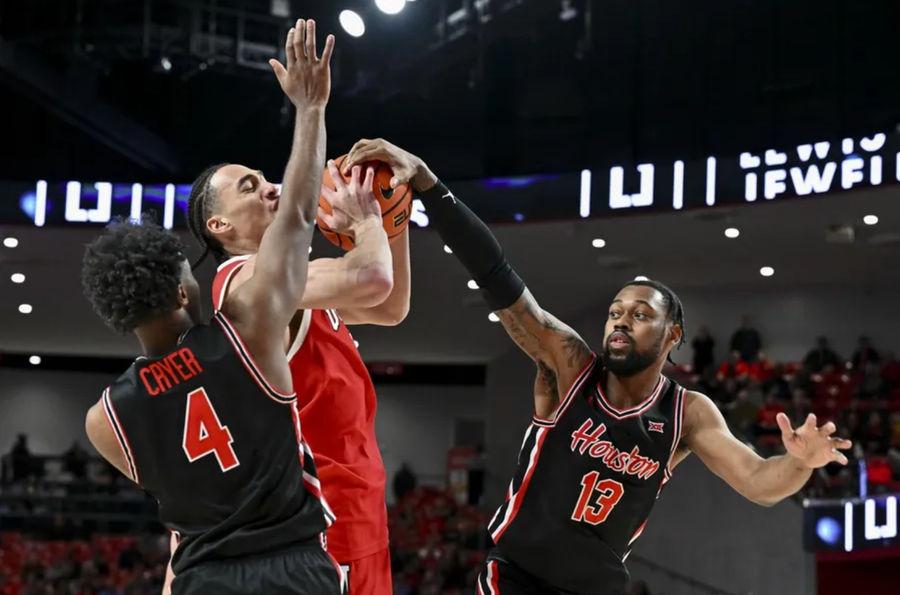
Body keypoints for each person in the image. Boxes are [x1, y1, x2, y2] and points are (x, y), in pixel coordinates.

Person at [342, 139, 854, 595]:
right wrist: (430, 184)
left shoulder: (687, 414)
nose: (620, 322)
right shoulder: (569, 367)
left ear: (673, 334)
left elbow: (760, 483)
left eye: (640, 314)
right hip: (515, 576)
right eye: (614, 313)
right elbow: (497, 275)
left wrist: (801, 464)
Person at [81, 19, 346, 595]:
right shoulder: (245, 331)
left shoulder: (105, 420)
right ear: (181, 292)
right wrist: (310, 110)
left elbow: (180, 498)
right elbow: (297, 219)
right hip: (294, 566)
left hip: (205, 579)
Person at [187, 45, 409, 595]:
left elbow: (390, 305)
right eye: (248, 186)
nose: (268, 185)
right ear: (218, 224)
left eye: (265, 176)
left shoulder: (296, 283)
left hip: (359, 511)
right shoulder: (241, 281)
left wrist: (392, 213)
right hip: (318, 521)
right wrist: (366, 221)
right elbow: (373, 279)